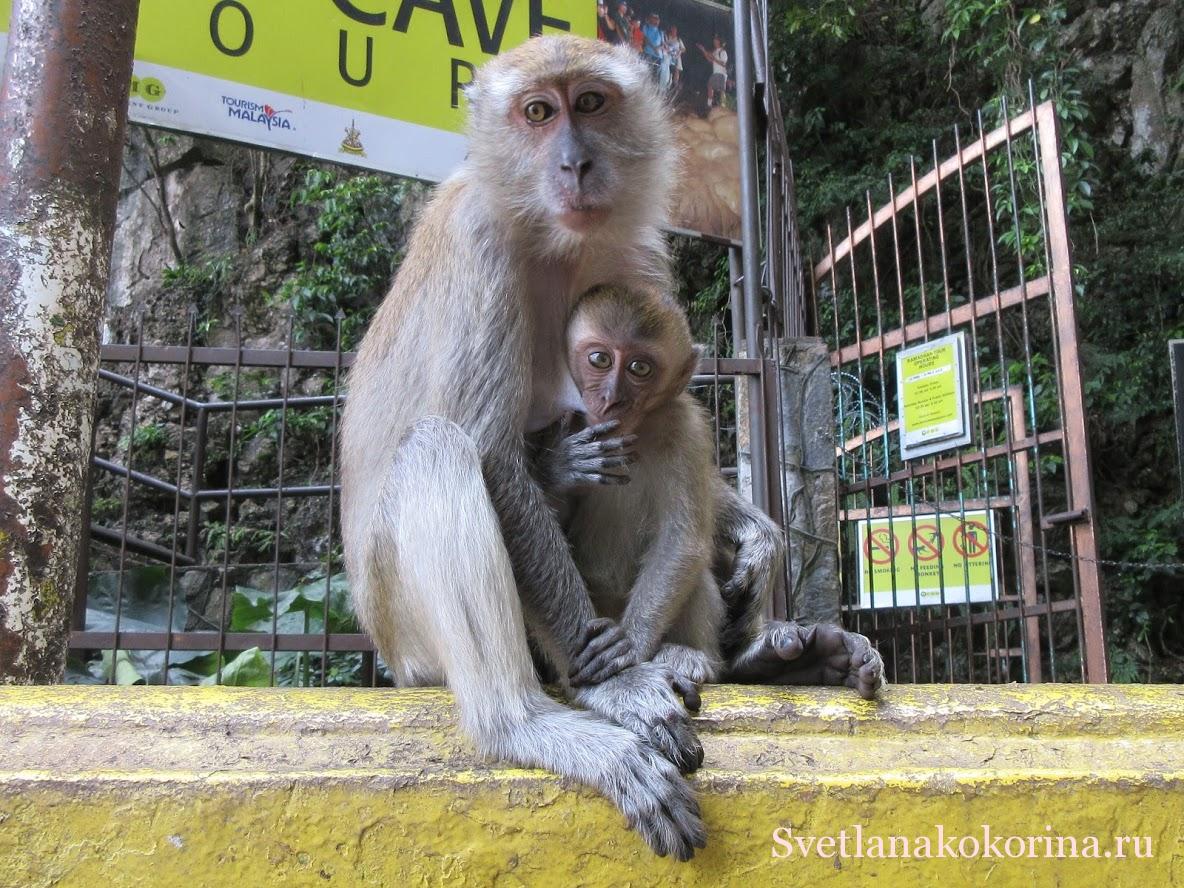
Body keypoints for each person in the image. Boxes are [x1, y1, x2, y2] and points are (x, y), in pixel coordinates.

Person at [696, 35, 728, 108]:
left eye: (715, 41)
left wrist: (714, 59)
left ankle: (722, 105)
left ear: (719, 42)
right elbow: (709, 59)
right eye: (714, 41)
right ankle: (710, 104)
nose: (714, 42)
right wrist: (703, 50)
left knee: (721, 90)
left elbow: (723, 64)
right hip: (715, 73)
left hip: (721, 73)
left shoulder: (723, 52)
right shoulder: (715, 51)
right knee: (710, 86)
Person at [641, 13, 664, 78]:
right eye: (654, 18)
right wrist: (654, 48)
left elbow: (663, 44)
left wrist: (658, 48)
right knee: (645, 72)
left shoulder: (660, 31)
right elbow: (645, 38)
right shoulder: (646, 27)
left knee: (654, 75)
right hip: (648, 53)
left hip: (658, 56)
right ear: (651, 18)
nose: (656, 20)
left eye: (657, 19)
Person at [665, 25, 686, 91]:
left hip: (676, 57)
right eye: (673, 30)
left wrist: (679, 52)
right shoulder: (667, 37)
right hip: (669, 56)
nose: (674, 31)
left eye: (675, 30)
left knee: (677, 70)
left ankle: (675, 85)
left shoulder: (679, 39)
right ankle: (667, 84)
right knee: (668, 70)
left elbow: (683, 49)